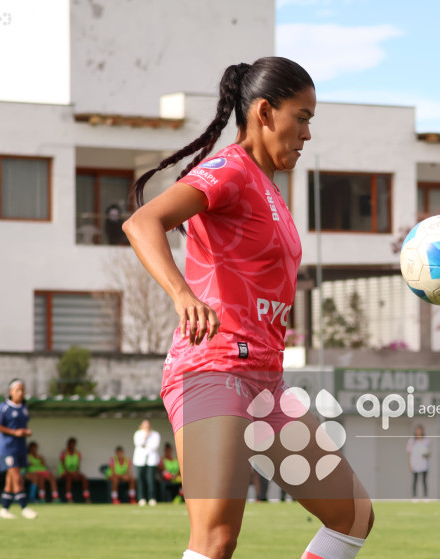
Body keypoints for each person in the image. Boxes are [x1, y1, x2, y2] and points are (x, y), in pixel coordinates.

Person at [122, 56, 373, 559]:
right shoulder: (228, 169)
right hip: (212, 372)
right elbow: (142, 222)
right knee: (215, 537)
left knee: (353, 516)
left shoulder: (271, 190)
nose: (306, 133)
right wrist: (182, 294)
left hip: (266, 384)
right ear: (264, 112)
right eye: (301, 117)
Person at [0, 379, 37, 519]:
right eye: (17, 390)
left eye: (22, 390)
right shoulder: (4, 407)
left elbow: (22, 426)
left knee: (10, 479)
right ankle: (24, 507)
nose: (20, 393)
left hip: (20, 447)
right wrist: (14, 432)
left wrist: (26, 432)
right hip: (7, 447)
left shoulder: (24, 407)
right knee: (16, 474)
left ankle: (4, 509)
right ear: (11, 392)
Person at [133, 419, 161, 506]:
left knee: (150, 479)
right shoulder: (138, 434)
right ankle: (141, 498)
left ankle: (152, 498)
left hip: (151, 460)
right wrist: (145, 436)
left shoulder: (155, 434)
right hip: (140, 460)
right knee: (140, 480)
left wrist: (146, 445)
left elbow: (154, 446)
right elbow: (139, 444)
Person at [58, 437, 91, 503]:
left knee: (83, 478)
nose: (72, 445)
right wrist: (69, 472)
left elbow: (78, 465)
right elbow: (63, 464)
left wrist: (76, 472)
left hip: (74, 473)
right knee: (69, 478)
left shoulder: (77, 453)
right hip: (64, 472)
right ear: (68, 444)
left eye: (73, 444)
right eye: (71, 444)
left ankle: (87, 497)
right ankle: (69, 498)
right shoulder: (64, 452)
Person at [406, 425, 430, 499]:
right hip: (415, 463)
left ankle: (425, 497)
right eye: (417, 431)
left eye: (420, 431)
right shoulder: (411, 441)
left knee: (424, 481)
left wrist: (426, 454)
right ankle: (414, 496)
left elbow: (428, 453)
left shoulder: (426, 441)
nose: (419, 432)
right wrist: (410, 464)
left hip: (423, 464)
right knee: (415, 481)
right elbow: (409, 453)